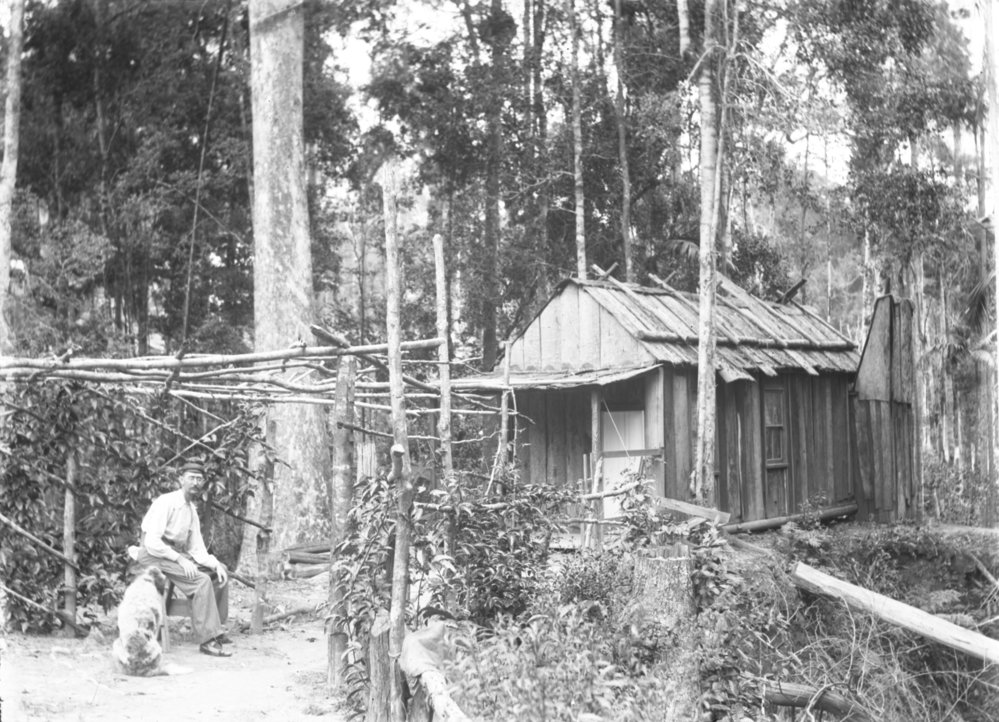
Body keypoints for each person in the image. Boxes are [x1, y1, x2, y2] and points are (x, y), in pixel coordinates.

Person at [134, 459, 233, 657]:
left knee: (218, 572)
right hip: (152, 554)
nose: (195, 483)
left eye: (199, 479)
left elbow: (197, 549)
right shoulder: (166, 502)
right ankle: (207, 640)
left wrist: (214, 564)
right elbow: (152, 542)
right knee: (201, 581)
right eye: (191, 478)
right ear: (181, 480)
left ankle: (215, 628)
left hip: (171, 554)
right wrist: (180, 560)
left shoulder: (191, 510)